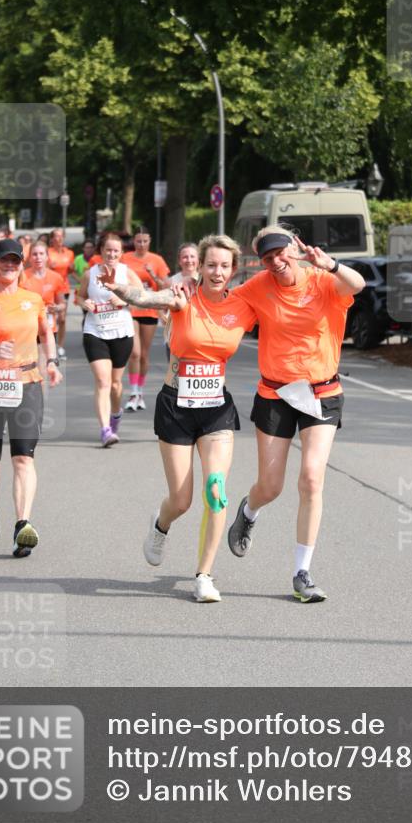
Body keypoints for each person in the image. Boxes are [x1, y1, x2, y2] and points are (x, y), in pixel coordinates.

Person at [104, 234, 256, 603]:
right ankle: (161, 525)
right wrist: (118, 287)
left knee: (216, 490)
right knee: (183, 499)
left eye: (224, 266)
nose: (217, 272)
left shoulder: (242, 306)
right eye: (211, 265)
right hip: (176, 405)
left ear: (233, 270)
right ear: (199, 267)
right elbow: (144, 298)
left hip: (216, 407)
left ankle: (204, 575)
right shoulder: (182, 296)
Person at [228, 226, 365, 603]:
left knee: (311, 479)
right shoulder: (257, 286)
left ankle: (301, 573)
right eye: (268, 257)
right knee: (271, 486)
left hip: (322, 392)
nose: (276, 261)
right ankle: (249, 510)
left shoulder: (324, 280)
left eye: (280, 253)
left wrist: (332, 264)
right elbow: (223, 308)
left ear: (294, 248)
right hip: (275, 393)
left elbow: (358, 284)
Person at [0, 238, 63, 556]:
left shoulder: (33, 300)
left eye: (15, 260)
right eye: (4, 260)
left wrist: (51, 361)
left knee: (23, 457)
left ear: (22, 264)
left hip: (27, 383)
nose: (10, 265)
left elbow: (47, 333)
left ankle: (22, 525)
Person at [77, 232, 140, 447]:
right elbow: (79, 295)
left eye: (116, 251)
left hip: (121, 333)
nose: (111, 254)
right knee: (103, 381)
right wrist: (84, 303)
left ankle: (115, 415)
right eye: (108, 250)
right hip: (95, 332)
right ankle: (105, 430)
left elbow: (142, 295)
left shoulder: (127, 273)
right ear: (101, 251)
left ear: (121, 253)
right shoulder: (90, 274)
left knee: (115, 384)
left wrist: (124, 300)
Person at [122, 225, 170, 411]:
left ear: (149, 242)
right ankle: (133, 392)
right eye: (138, 241)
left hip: (149, 310)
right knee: (134, 353)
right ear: (134, 241)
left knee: (144, 354)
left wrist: (152, 274)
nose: (141, 244)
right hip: (131, 309)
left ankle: (140, 391)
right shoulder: (125, 259)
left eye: (145, 241)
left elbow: (165, 285)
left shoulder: (157, 260)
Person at [21, 240, 67, 372]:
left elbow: (62, 304)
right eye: (34, 254)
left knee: (41, 367)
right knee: (29, 368)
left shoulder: (56, 277)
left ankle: (38, 391)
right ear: (29, 258)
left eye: (41, 254)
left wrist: (57, 308)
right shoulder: (22, 277)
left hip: (48, 328)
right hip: (27, 327)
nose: (38, 257)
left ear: (47, 256)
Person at [46, 228, 75, 357]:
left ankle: (60, 346)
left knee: (62, 319)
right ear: (52, 239)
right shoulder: (47, 252)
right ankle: (49, 344)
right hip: (50, 289)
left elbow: (69, 271)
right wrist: (48, 267)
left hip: (64, 288)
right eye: (56, 236)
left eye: (61, 236)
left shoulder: (69, 253)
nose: (58, 238)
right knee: (51, 318)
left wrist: (71, 269)